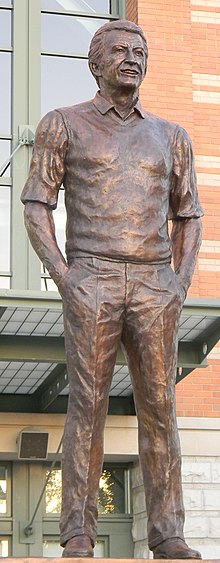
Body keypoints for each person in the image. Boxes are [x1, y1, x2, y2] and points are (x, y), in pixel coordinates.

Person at [21, 20, 203, 559]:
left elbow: (189, 216)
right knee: (87, 405)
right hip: (92, 275)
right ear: (95, 64)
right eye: (120, 51)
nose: (132, 58)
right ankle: (77, 531)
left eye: (140, 51)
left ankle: (168, 533)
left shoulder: (171, 136)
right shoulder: (63, 124)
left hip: (154, 281)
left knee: (160, 407)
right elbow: (36, 205)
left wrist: (178, 281)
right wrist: (64, 274)